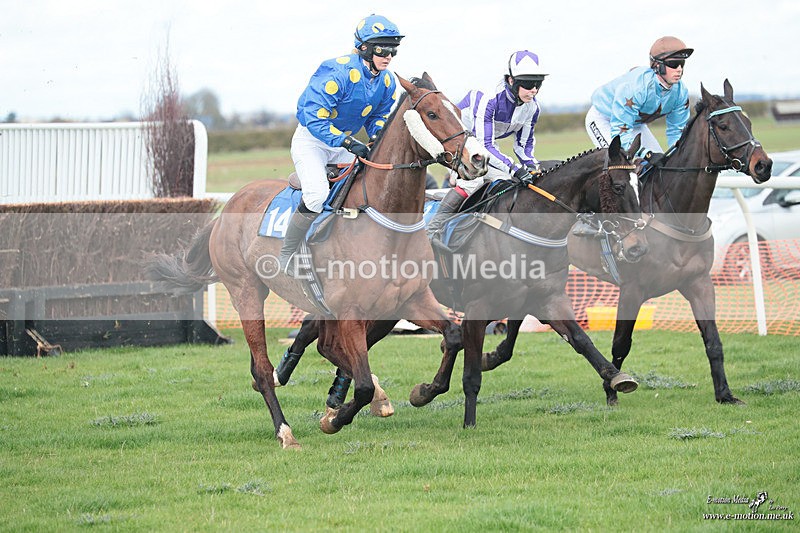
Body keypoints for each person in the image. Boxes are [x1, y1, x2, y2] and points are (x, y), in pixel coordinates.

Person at [277, 14, 403, 277]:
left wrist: (377, 137)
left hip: (344, 142)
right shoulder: (338, 71)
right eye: (383, 48)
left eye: (393, 49)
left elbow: (378, 117)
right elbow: (312, 115)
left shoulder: (388, 81)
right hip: (312, 141)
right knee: (317, 195)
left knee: (367, 188)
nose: (389, 55)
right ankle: (287, 254)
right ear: (365, 48)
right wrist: (347, 141)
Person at [427, 50, 547, 238]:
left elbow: (524, 147)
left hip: (479, 145)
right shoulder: (489, 99)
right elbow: (486, 146)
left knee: (511, 183)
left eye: (538, 84)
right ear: (511, 81)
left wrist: (532, 167)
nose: (534, 90)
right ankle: (432, 229)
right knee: (473, 181)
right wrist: (515, 169)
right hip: (459, 142)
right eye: (528, 84)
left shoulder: (533, 107)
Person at [585, 36, 693, 163]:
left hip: (634, 123)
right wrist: (647, 155)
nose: (679, 69)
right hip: (603, 119)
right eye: (674, 64)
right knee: (620, 164)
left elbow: (677, 132)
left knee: (660, 167)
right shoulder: (637, 87)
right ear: (658, 66)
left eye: (682, 64)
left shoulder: (680, 92)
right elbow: (620, 131)